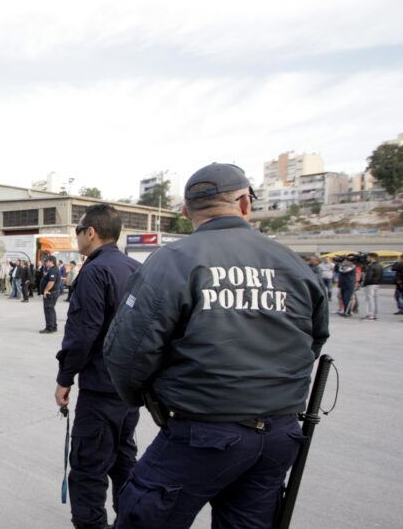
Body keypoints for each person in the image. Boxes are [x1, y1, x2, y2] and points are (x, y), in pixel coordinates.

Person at [103, 163, 329, 529]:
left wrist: (145, 399)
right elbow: (315, 338)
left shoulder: (173, 260)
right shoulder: (293, 263)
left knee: (141, 516)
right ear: (245, 204)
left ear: (185, 212)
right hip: (279, 436)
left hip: (203, 434)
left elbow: (127, 354)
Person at [54, 204, 141, 529]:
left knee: (88, 470)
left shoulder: (94, 271)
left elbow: (82, 334)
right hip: (128, 392)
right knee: (123, 464)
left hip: (100, 391)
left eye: (78, 231)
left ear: (90, 232)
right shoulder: (135, 268)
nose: (77, 237)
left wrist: (65, 378)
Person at [39, 256, 63, 333]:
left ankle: (50, 328)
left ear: (51, 261)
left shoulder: (53, 270)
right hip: (52, 292)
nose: (46, 263)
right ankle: (53, 326)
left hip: (51, 293)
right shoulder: (53, 269)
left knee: (48, 310)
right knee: (51, 310)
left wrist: (46, 290)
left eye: (47, 261)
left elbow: (51, 282)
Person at [361, 253, 383, 321]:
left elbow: (369, 276)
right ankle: (375, 315)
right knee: (376, 299)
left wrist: (364, 283)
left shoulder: (371, 266)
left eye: (369, 257)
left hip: (370, 284)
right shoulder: (380, 265)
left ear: (372, 258)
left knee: (369, 300)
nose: (368, 259)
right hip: (377, 284)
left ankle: (370, 315)